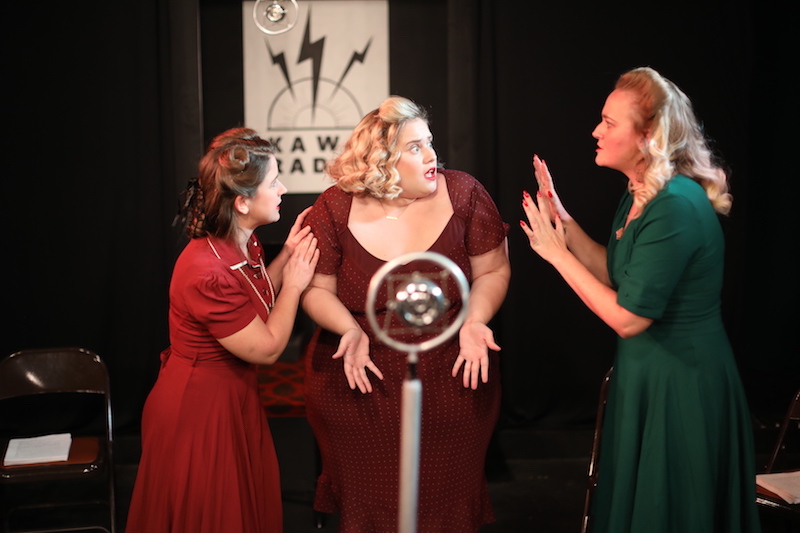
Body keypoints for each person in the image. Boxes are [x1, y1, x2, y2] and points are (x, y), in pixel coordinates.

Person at [520, 67, 760, 532]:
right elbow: (619, 272)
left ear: (647, 136)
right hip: (649, 377)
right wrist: (561, 217)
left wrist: (556, 256)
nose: (596, 131)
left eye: (609, 123)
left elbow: (629, 317)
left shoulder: (674, 205)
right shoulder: (642, 194)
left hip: (682, 387)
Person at [300, 96, 510, 532]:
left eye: (429, 142)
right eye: (415, 147)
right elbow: (317, 291)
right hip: (362, 379)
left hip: (451, 374)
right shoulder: (334, 208)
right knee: (372, 509)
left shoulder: (466, 193)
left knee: (445, 506)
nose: (432, 155)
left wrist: (476, 320)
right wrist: (347, 330)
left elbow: (493, 270)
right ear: (381, 159)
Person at [126, 127, 319, 533]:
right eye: (274, 182)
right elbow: (267, 349)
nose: (283, 189)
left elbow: (258, 296)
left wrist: (289, 252)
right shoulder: (205, 272)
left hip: (231, 396)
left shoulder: (242, 243)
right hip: (198, 410)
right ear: (243, 202)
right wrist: (297, 284)